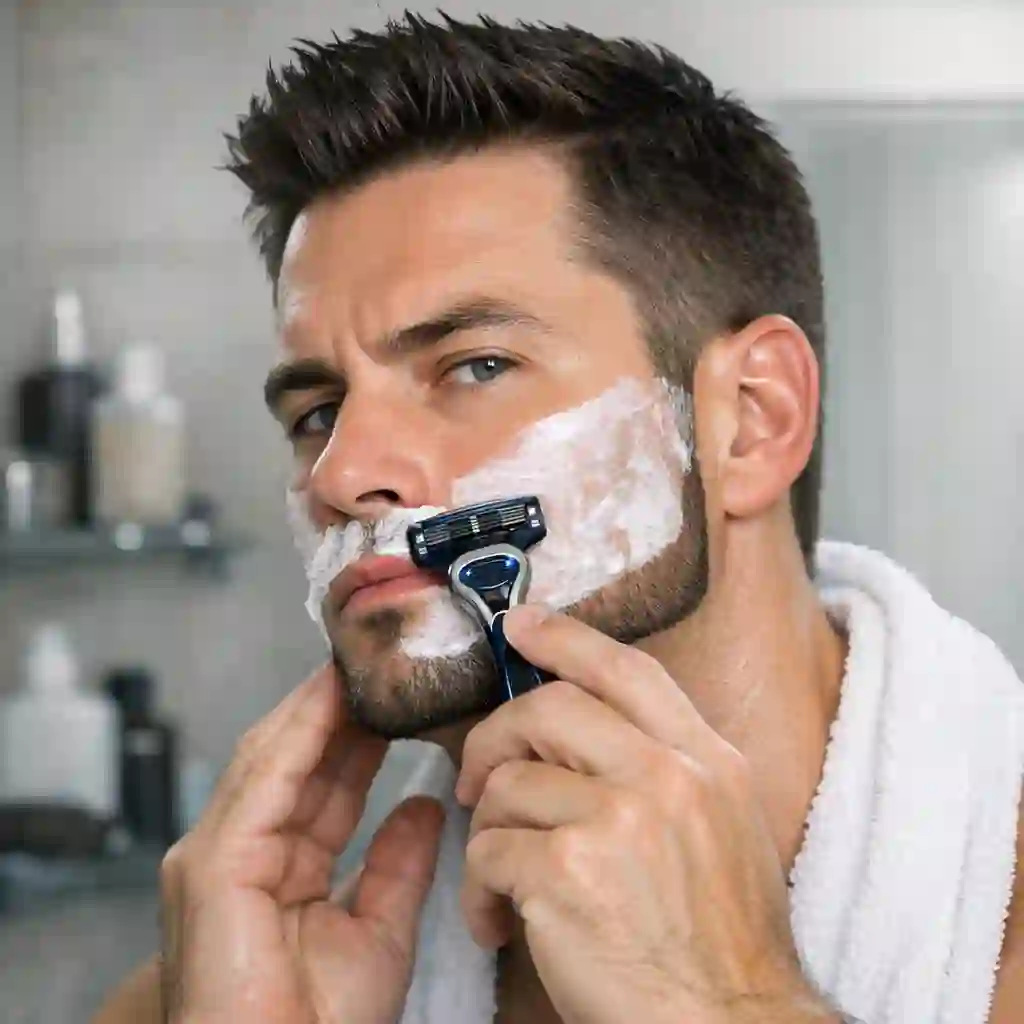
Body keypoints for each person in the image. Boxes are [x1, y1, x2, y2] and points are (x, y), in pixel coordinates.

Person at [94, 14, 1024, 1024]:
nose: (343, 469)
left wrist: (731, 1005)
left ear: (752, 421)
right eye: (316, 411)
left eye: (475, 365)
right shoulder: (229, 988)